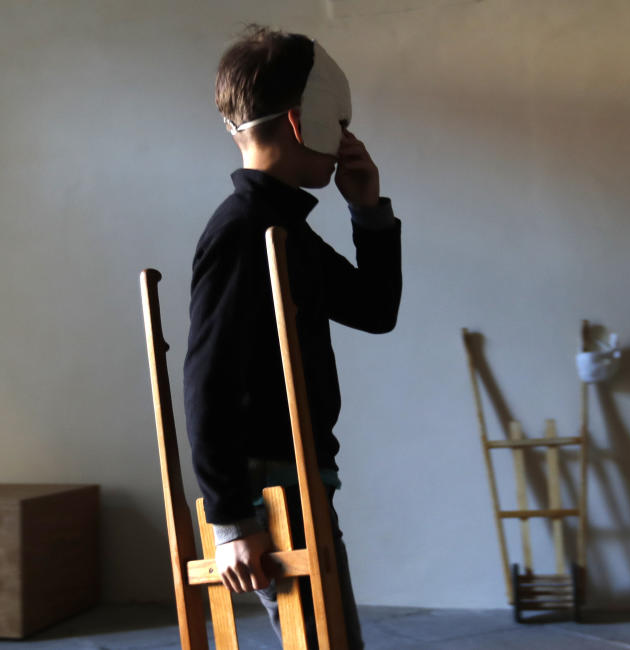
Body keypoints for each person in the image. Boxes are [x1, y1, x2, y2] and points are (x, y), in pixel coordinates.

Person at [183, 25, 402, 649]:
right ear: (303, 123)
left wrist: (367, 210)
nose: (349, 141)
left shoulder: (281, 226)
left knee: (331, 640)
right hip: (271, 486)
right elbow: (206, 378)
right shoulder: (244, 228)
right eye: (341, 122)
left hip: (298, 478)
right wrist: (229, 517)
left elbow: (373, 308)